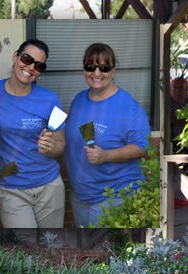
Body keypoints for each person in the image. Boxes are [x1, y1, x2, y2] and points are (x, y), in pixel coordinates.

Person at [0, 38, 66, 229]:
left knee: (51, 244)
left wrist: (51, 147)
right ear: (15, 57)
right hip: (11, 188)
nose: (30, 67)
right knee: (24, 245)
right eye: (27, 59)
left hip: (49, 186)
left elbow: (60, 143)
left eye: (39, 65)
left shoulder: (50, 99)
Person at [64, 42, 151, 227]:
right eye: (91, 66)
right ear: (84, 69)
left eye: (104, 67)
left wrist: (106, 156)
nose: (97, 73)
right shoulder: (79, 99)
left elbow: (143, 147)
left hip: (113, 196)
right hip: (81, 196)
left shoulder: (129, 107)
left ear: (113, 70)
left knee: (104, 251)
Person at [170, 76, 187, 152]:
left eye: (180, 88)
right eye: (175, 88)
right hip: (175, 143)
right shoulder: (168, 104)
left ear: (186, 89)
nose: (177, 91)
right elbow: (170, 120)